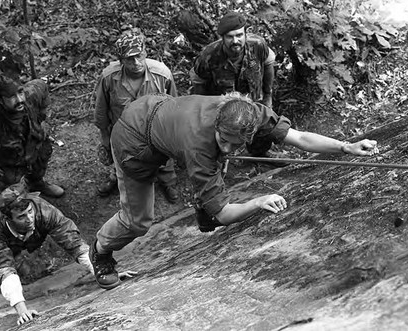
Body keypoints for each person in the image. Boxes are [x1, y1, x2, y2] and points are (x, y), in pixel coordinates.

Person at [89, 92, 379, 290]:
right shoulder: (200, 145)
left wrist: (346, 146)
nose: (228, 149)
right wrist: (258, 201)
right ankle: (100, 250)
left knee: (213, 163)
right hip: (134, 138)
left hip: (165, 116)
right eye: (224, 140)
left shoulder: (247, 113)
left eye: (236, 144)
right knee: (138, 220)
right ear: (216, 124)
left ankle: (203, 201)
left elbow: (299, 137)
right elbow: (224, 214)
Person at [0, 184, 136, 325]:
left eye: (30, 212)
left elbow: (74, 244)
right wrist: (22, 311)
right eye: (22, 216)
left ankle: (19, 257)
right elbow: (2, 266)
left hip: (21, 239)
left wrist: (102, 270)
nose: (29, 219)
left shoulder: (43, 210)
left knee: (23, 266)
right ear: (8, 218)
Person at [93, 30, 180, 202]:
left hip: (156, 130)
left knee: (164, 157)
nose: (136, 63)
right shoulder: (109, 77)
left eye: (139, 56)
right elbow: (101, 109)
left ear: (145, 52)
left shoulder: (162, 74)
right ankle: (115, 178)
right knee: (121, 160)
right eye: (129, 59)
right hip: (123, 132)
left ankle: (168, 180)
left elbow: (175, 106)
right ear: (121, 61)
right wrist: (104, 135)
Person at [190, 11, 281, 162]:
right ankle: (218, 161)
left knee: (260, 122)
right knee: (219, 136)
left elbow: (269, 62)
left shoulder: (258, 45)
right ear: (223, 38)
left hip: (253, 98)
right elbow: (198, 80)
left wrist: (268, 95)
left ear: (245, 34)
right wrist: (202, 111)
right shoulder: (209, 55)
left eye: (239, 35)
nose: (235, 41)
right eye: (230, 37)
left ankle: (259, 154)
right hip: (222, 105)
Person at [0, 70, 64, 199]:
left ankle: (36, 184)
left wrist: (41, 118)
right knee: (5, 187)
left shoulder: (31, 94)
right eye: (12, 97)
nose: (20, 99)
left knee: (41, 156)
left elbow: (41, 86)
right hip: (10, 161)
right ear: (0, 99)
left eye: (20, 92)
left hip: (34, 145)